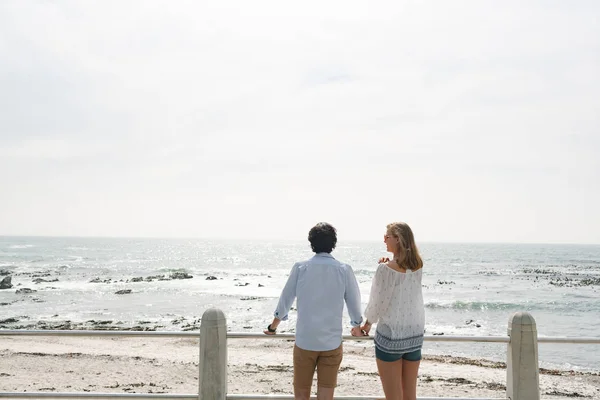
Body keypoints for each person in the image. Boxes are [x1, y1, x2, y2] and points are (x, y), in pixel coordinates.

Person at [264, 222, 364, 400]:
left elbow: (285, 299)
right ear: (333, 243)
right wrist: (356, 326)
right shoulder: (344, 269)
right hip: (331, 342)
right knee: (326, 394)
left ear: (312, 243)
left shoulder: (301, 268)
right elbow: (354, 302)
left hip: (305, 340)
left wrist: (273, 327)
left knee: (301, 393)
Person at [360, 222, 425, 400]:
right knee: (410, 394)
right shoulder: (418, 265)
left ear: (398, 239)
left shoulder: (385, 269)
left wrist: (367, 325)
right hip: (414, 335)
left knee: (393, 396)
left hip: (391, 336)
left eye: (387, 236)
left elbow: (379, 302)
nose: (384, 240)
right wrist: (387, 265)